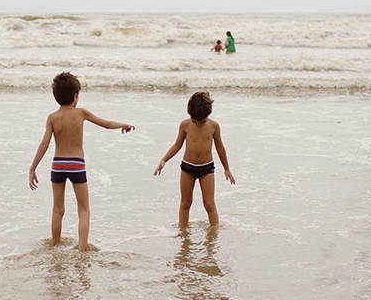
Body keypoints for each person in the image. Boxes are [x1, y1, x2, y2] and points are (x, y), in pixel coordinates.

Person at [30, 72, 134, 251]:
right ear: (75, 96)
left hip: (57, 165)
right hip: (76, 165)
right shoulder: (81, 113)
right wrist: (123, 125)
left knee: (57, 209)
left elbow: (44, 144)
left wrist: (32, 169)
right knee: (83, 210)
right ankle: (82, 249)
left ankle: (56, 247)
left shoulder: (52, 118)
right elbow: (107, 123)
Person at [154, 91, 235, 227]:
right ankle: (183, 232)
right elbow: (177, 145)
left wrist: (226, 168)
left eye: (201, 121)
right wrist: (164, 160)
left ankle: (214, 234)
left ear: (208, 115)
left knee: (209, 204)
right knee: (185, 203)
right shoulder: (185, 125)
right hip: (188, 168)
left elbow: (220, 147)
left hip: (207, 169)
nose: (197, 123)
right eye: (194, 121)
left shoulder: (213, 126)